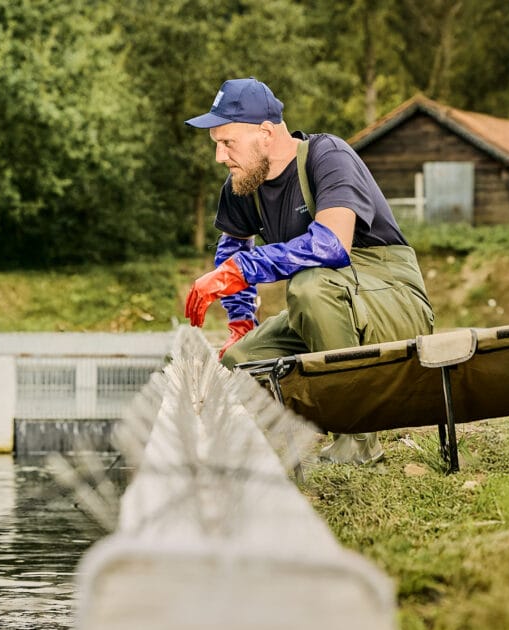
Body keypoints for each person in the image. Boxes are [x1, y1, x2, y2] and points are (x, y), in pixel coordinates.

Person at [182, 77, 434, 464]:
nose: (219, 156)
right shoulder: (243, 183)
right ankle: (302, 437)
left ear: (265, 133)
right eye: (216, 143)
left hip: (392, 302)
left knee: (308, 285)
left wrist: (247, 267)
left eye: (226, 142)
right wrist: (240, 323)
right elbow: (233, 248)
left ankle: (359, 440)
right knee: (244, 360)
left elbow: (332, 244)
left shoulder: (328, 155)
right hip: (325, 309)